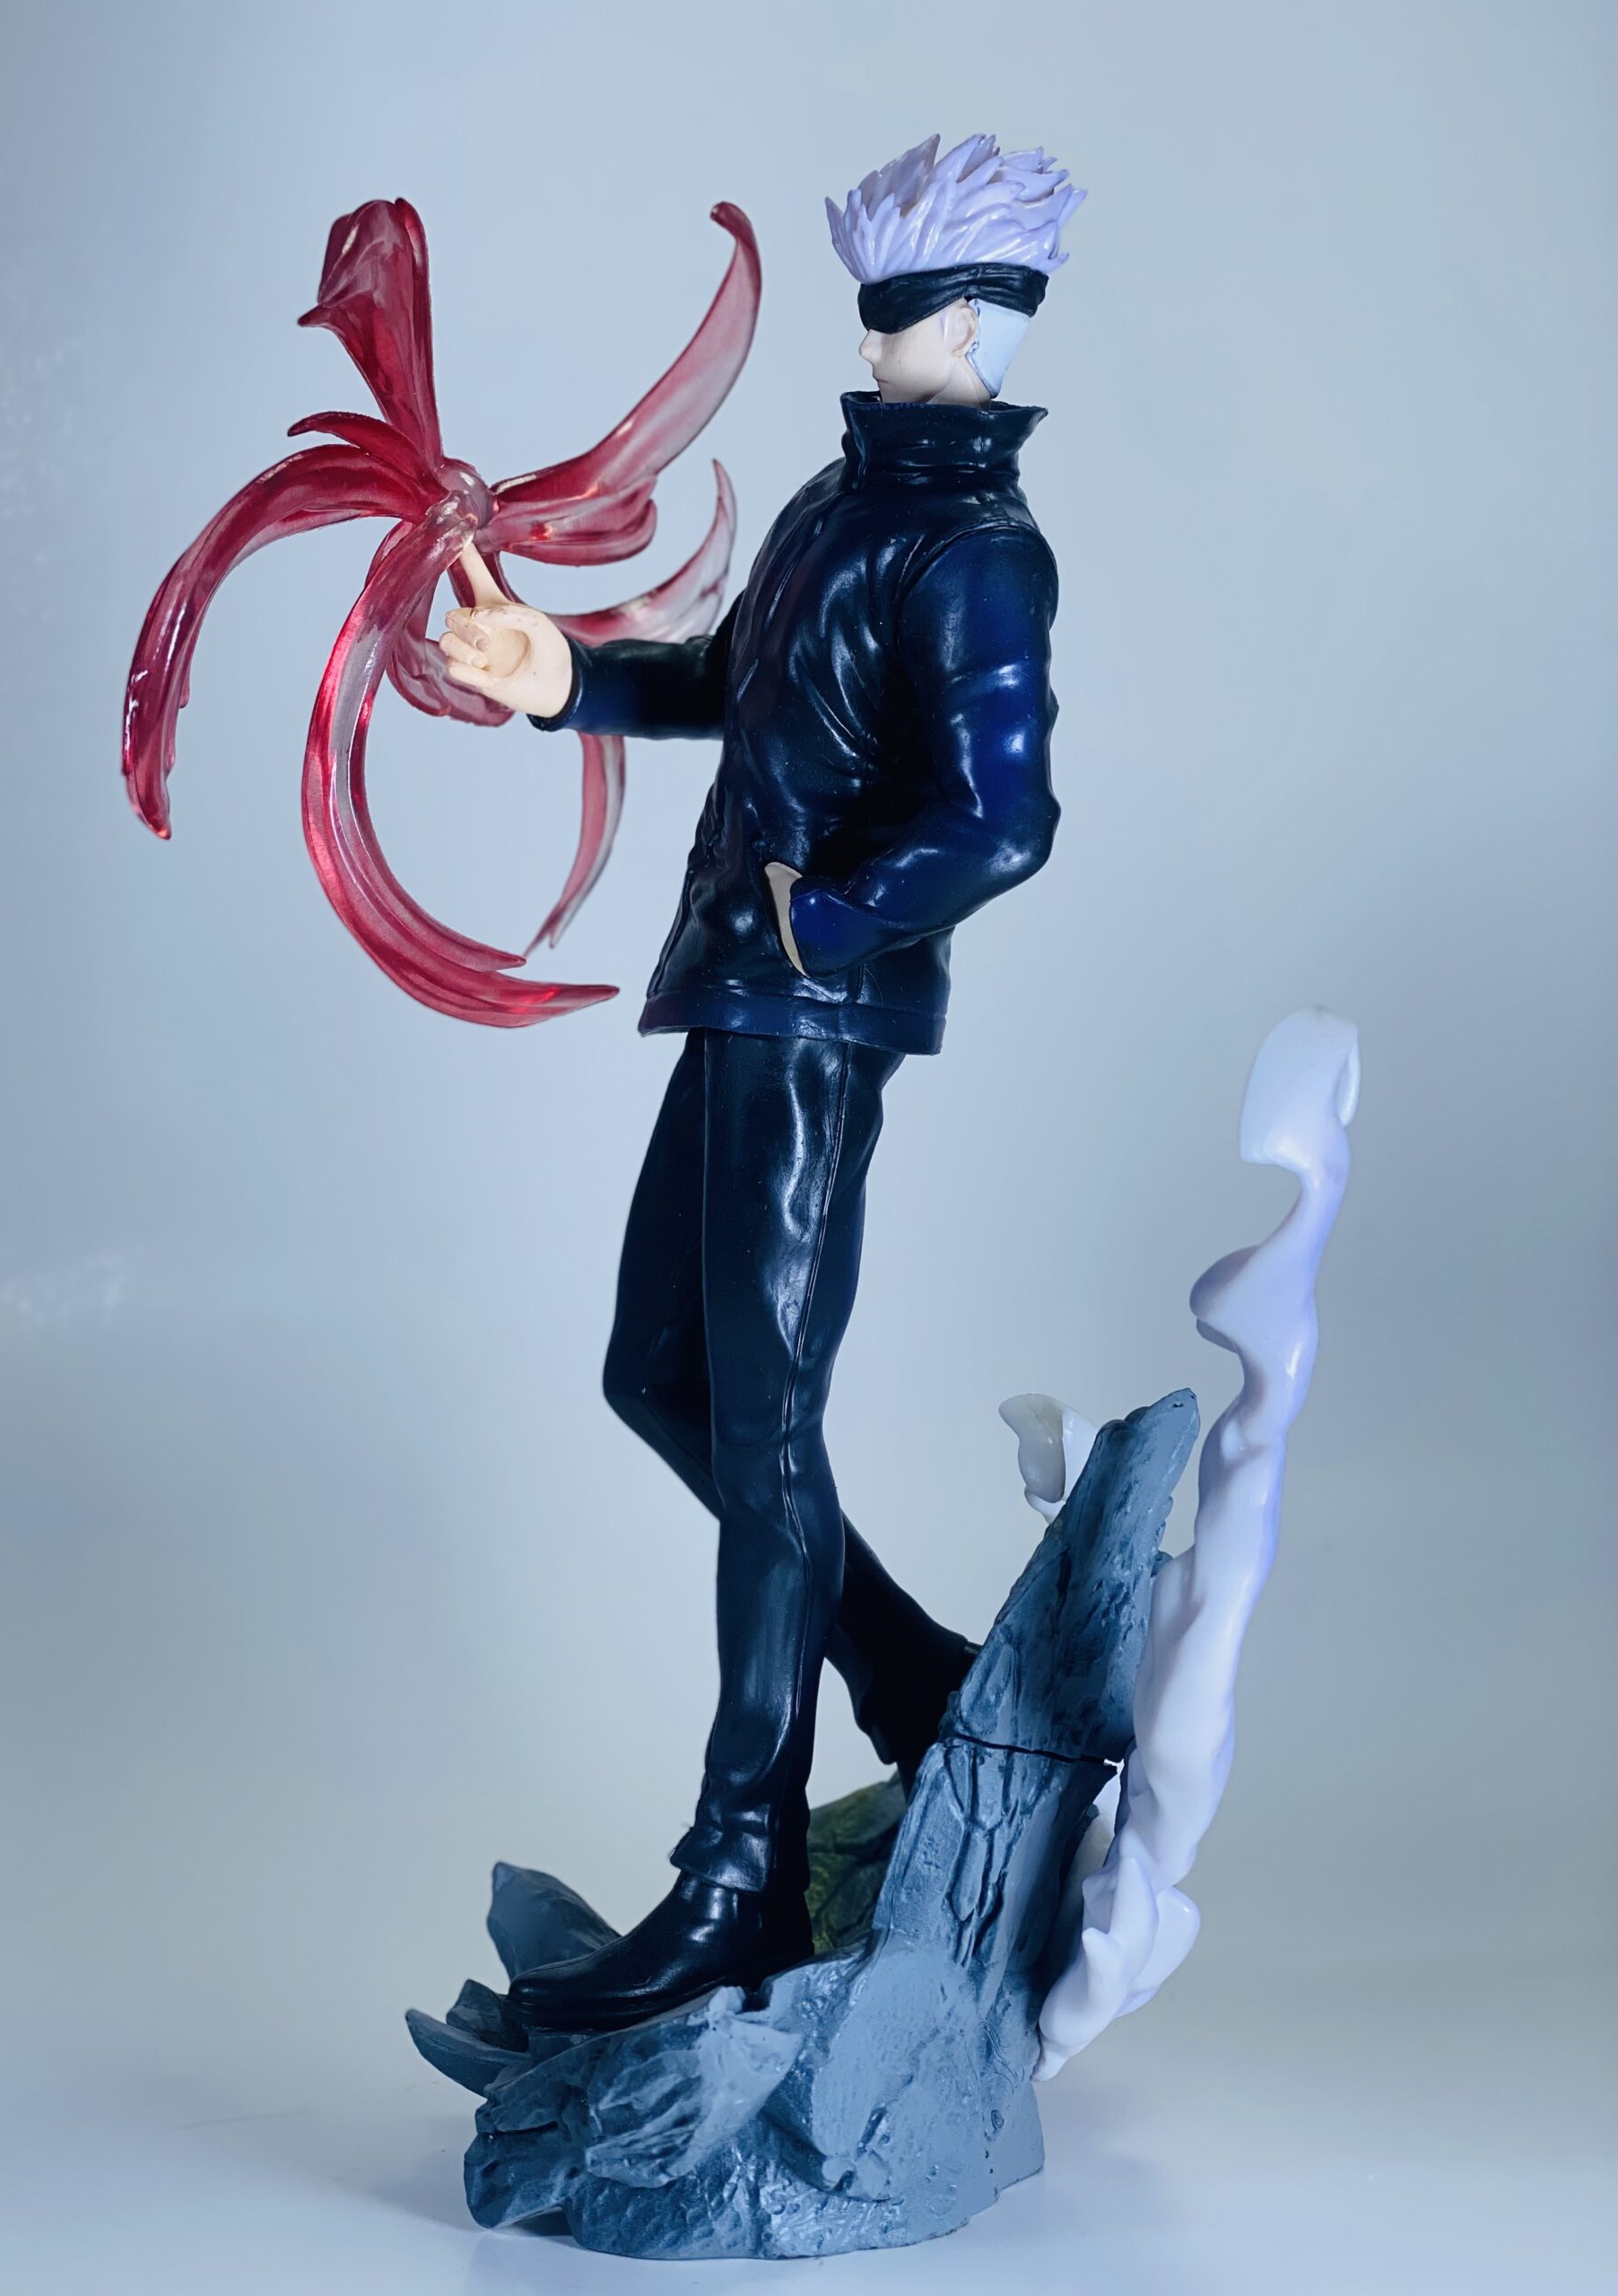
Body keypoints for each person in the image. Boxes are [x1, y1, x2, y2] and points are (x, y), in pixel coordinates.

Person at [438, 135, 1083, 2032]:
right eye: (877, 297)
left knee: (767, 1420)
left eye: (911, 300)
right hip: (742, 990)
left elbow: (1008, 815)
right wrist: (563, 674)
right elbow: (736, 676)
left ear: (978, 319)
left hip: (812, 1014)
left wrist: (835, 920)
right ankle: (914, 1673)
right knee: (664, 1374)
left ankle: (741, 1875)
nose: (879, 328)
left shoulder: (980, 552)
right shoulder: (839, 501)